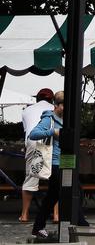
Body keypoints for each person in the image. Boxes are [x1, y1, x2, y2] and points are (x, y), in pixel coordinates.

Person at [28, 91, 65, 241]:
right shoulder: (48, 118)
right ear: (56, 105)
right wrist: (53, 132)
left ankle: (38, 227)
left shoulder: (65, 118)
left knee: (53, 196)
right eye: (63, 105)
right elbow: (33, 134)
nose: (65, 108)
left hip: (64, 161)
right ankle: (80, 225)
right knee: (73, 191)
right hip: (53, 162)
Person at [20, 88, 54, 223]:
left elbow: (27, 130)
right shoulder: (55, 108)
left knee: (31, 177)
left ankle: (24, 215)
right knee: (55, 177)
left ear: (36, 99)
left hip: (33, 141)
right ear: (52, 100)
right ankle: (56, 215)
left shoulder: (26, 110)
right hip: (50, 141)